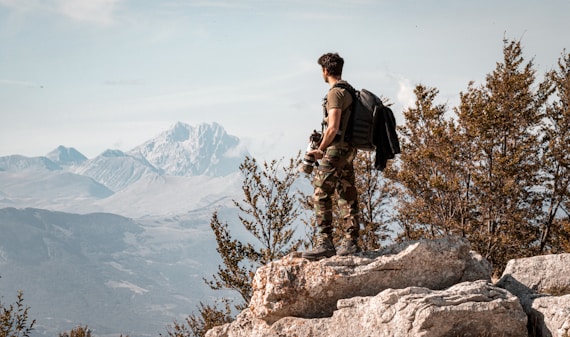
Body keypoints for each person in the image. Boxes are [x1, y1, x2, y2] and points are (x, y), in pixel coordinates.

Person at [302, 52, 361, 260]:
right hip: (349, 149)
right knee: (347, 192)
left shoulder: (335, 93)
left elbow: (333, 127)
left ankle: (324, 242)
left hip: (336, 149)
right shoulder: (350, 91)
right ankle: (351, 241)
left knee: (321, 191)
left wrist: (320, 149)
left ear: (325, 70)